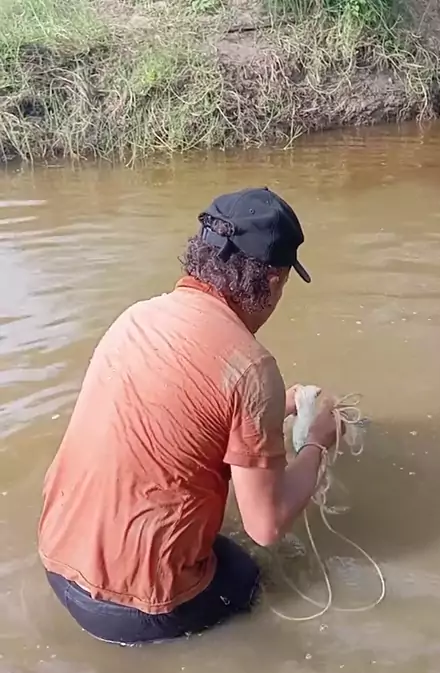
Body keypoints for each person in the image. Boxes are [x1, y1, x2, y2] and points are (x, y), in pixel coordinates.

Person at [38, 187, 339, 645]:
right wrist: (318, 440)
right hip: (136, 610)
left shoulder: (137, 318)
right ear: (274, 280)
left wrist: (280, 406)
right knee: (248, 575)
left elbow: (188, 416)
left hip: (56, 562)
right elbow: (267, 525)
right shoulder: (251, 367)